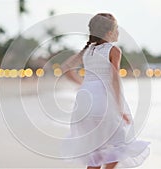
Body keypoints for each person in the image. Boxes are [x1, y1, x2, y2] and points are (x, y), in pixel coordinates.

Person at [60, 13, 150, 169]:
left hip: (85, 101)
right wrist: (120, 108)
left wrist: (85, 84)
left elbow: (65, 68)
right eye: (116, 28)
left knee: (95, 151)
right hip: (104, 101)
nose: (118, 32)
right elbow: (115, 80)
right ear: (109, 32)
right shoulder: (113, 50)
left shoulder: (87, 50)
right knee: (118, 145)